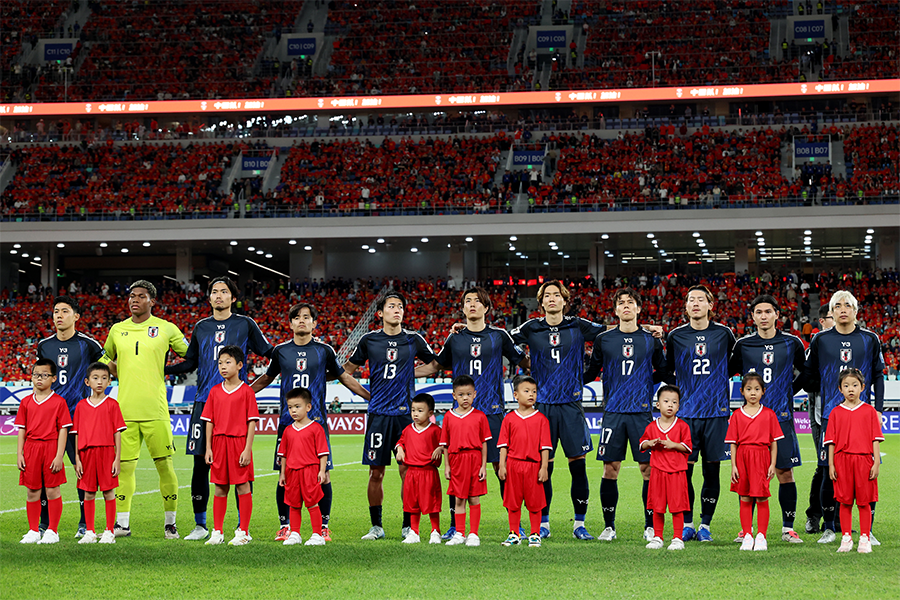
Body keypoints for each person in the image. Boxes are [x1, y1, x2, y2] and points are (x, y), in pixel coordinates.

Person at [165, 277, 273, 541]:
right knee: (200, 462)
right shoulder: (201, 327)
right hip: (205, 401)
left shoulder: (245, 323)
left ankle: (240, 527)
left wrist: (254, 386)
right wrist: (161, 369)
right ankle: (201, 525)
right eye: (214, 292)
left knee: (238, 464)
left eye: (224, 292)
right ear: (209, 297)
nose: (219, 296)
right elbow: (189, 363)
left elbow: (269, 352)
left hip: (235, 403)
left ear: (233, 298)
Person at [415, 286, 527, 540]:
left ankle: (515, 524)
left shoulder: (499, 336)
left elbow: (522, 361)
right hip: (461, 415)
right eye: (468, 301)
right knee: (457, 468)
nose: (473, 304)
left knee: (502, 466)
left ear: (487, 308)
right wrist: (405, 373)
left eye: (478, 301)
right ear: (463, 308)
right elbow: (435, 365)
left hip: (492, 410)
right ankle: (456, 525)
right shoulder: (455, 339)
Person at [252, 302, 370, 541]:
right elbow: (266, 378)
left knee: (323, 474)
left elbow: (344, 377)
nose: (302, 321)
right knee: (283, 473)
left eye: (307, 317)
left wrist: (369, 396)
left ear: (315, 323)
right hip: (287, 424)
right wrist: (241, 395)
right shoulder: (280, 351)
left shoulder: (324, 350)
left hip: (316, 423)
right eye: (297, 317)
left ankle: (323, 526)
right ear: (291, 323)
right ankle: (285, 526)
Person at [511, 280, 604, 540]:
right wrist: (525, 362)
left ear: (565, 300)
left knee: (578, 466)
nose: (552, 299)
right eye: (547, 296)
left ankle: (579, 524)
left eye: (557, 295)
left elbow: (609, 334)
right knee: (544, 467)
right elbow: (506, 342)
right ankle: (544, 523)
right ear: (541, 303)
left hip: (571, 406)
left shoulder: (578, 325)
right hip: (542, 408)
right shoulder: (531, 327)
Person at [345, 291, 440, 540]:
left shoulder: (414, 339)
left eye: (400, 306)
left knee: (408, 471)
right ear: (380, 313)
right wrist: (367, 395)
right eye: (391, 306)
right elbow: (346, 371)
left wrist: (408, 372)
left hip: (406, 418)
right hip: (378, 415)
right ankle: (376, 526)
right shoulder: (369, 340)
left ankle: (409, 525)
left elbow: (434, 365)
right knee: (376, 473)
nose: (397, 309)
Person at [104, 280, 189, 539]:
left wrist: (168, 370)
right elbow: (104, 358)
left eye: (141, 296)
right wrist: (113, 369)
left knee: (165, 466)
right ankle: (122, 524)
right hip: (125, 412)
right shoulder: (117, 330)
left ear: (152, 301)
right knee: (124, 468)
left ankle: (170, 523)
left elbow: (190, 355)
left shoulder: (166, 328)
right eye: (132, 296)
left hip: (156, 411)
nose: (134, 300)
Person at [584, 288, 665, 542]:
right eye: (621, 303)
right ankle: (609, 526)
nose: (626, 306)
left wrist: (643, 383)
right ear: (616, 310)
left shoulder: (650, 339)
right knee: (611, 469)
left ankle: (650, 525)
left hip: (641, 413)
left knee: (648, 469)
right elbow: (592, 372)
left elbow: (662, 370)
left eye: (631, 302)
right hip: (613, 412)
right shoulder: (604, 339)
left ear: (639, 309)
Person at [804, 291, 884, 545]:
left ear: (855, 310)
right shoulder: (820, 340)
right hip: (830, 416)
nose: (842, 309)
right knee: (830, 472)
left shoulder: (869, 339)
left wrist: (879, 409)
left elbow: (879, 375)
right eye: (837, 306)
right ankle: (829, 527)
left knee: (867, 474)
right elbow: (809, 374)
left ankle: (867, 531)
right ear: (831, 311)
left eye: (847, 305)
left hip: (862, 418)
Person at [729, 294, 807, 543]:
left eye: (768, 312)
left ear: (777, 315)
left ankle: (787, 528)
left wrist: (788, 392)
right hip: (750, 420)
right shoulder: (743, 344)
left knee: (785, 473)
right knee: (748, 476)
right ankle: (747, 530)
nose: (763, 316)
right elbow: (728, 372)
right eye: (758, 312)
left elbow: (804, 373)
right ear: (752, 317)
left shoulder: (792, 343)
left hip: (781, 417)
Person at [664, 285, 736, 542]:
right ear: (685, 307)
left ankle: (705, 525)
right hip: (686, 416)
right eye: (691, 300)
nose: (695, 303)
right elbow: (667, 370)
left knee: (712, 471)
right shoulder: (675, 336)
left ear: (710, 305)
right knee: (684, 472)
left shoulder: (724, 334)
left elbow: (733, 365)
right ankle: (687, 522)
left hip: (716, 414)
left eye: (701, 300)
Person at [36, 295, 107, 538]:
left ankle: (84, 523)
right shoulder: (44, 346)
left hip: (78, 418)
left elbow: (105, 372)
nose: (59, 315)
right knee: (46, 471)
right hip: (50, 419)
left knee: (82, 471)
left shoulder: (89, 344)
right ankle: (44, 524)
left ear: (76, 316)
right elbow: (42, 378)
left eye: (65, 311)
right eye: (56, 311)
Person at [201, 346, 260, 546]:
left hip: (238, 443)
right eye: (220, 363)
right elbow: (209, 421)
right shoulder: (215, 391)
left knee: (243, 487)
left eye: (228, 362)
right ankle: (217, 531)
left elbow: (251, 422)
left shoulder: (246, 391)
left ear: (239, 365)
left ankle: (243, 531)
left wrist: (247, 449)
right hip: (219, 444)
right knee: (220, 488)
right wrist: (208, 448)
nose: (223, 366)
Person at [825, 368, 883, 554]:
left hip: (864, 460)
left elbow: (875, 438)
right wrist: (832, 465)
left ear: (863, 387)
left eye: (855, 385)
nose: (851, 389)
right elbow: (831, 442)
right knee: (845, 501)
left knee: (864, 502)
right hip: (842, 461)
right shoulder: (835, 412)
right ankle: (847, 537)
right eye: (846, 385)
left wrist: (875, 462)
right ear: (840, 389)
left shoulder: (869, 411)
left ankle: (865, 537)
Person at [16, 359, 71, 544]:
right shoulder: (25, 402)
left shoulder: (59, 402)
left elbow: (63, 429)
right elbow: (22, 429)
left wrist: (58, 456)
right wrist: (19, 454)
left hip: (50, 446)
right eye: (36, 375)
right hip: (31, 448)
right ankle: (33, 530)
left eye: (44, 375)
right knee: (32, 491)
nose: (39, 378)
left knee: (52, 490)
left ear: (53, 378)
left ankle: (52, 531)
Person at [726, 372, 782, 551]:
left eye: (757, 389)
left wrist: (772, 464)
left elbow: (773, 443)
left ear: (763, 392)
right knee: (745, 496)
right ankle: (747, 535)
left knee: (762, 496)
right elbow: (733, 443)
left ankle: (761, 536)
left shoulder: (769, 414)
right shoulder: (736, 415)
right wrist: (734, 465)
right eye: (749, 389)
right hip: (742, 457)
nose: (753, 393)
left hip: (761, 457)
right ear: (741, 391)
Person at [72, 362, 126, 545]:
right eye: (95, 378)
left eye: (104, 378)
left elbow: (117, 433)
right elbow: (77, 433)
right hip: (86, 454)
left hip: (106, 452)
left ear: (110, 381)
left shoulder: (112, 404)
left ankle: (109, 531)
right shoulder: (81, 406)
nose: (100, 382)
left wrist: (117, 458)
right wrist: (77, 458)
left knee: (109, 492)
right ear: (87, 382)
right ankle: (90, 531)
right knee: (88, 493)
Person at [497, 375, 550, 548]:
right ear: (516, 395)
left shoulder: (542, 419)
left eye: (534, 391)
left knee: (535, 503)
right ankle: (514, 533)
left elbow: (545, 447)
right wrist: (502, 465)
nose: (531, 394)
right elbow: (504, 445)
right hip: (513, 465)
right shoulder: (509, 418)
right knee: (513, 502)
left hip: (533, 466)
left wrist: (544, 467)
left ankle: (535, 534)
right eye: (526, 391)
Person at [440, 375, 491, 547]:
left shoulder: (480, 416)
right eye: (461, 395)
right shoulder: (448, 416)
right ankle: (459, 533)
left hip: (474, 459)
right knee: (459, 499)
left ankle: (474, 534)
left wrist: (483, 466)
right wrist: (447, 466)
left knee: (474, 498)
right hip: (456, 460)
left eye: (469, 394)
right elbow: (445, 445)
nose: (465, 398)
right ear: (454, 396)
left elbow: (484, 443)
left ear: (475, 394)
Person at [640, 385, 691, 551]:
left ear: (678, 406)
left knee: (677, 507)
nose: (670, 405)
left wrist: (673, 445)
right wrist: (650, 443)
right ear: (658, 405)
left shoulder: (683, 426)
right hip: (657, 473)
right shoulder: (652, 426)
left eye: (674, 402)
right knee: (658, 507)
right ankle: (658, 537)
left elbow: (688, 448)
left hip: (677, 473)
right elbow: (642, 444)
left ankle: (677, 538)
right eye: (666, 401)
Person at [277, 387, 329, 547]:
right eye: (290, 407)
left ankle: (317, 534)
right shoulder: (287, 430)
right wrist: (282, 474)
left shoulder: (316, 428)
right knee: (294, 504)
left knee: (312, 503)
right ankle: (295, 533)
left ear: (308, 407)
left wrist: (321, 471)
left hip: (309, 471)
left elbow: (323, 453)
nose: (293, 410)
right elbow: (283, 454)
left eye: (297, 406)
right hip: (292, 472)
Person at [394, 393, 443, 545]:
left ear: (430, 413)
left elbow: (445, 443)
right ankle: (414, 532)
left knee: (432, 503)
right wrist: (400, 449)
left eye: (420, 410)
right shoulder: (408, 429)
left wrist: (440, 448)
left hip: (428, 471)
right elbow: (400, 442)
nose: (415, 413)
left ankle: (435, 531)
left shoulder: (435, 430)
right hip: (411, 473)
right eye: (413, 410)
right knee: (412, 503)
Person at [804, 305, 833, 534]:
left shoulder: (853, 341)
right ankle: (814, 516)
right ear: (822, 321)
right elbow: (807, 381)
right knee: (823, 467)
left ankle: (837, 521)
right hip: (821, 417)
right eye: (831, 317)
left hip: (848, 417)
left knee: (843, 468)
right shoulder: (817, 345)